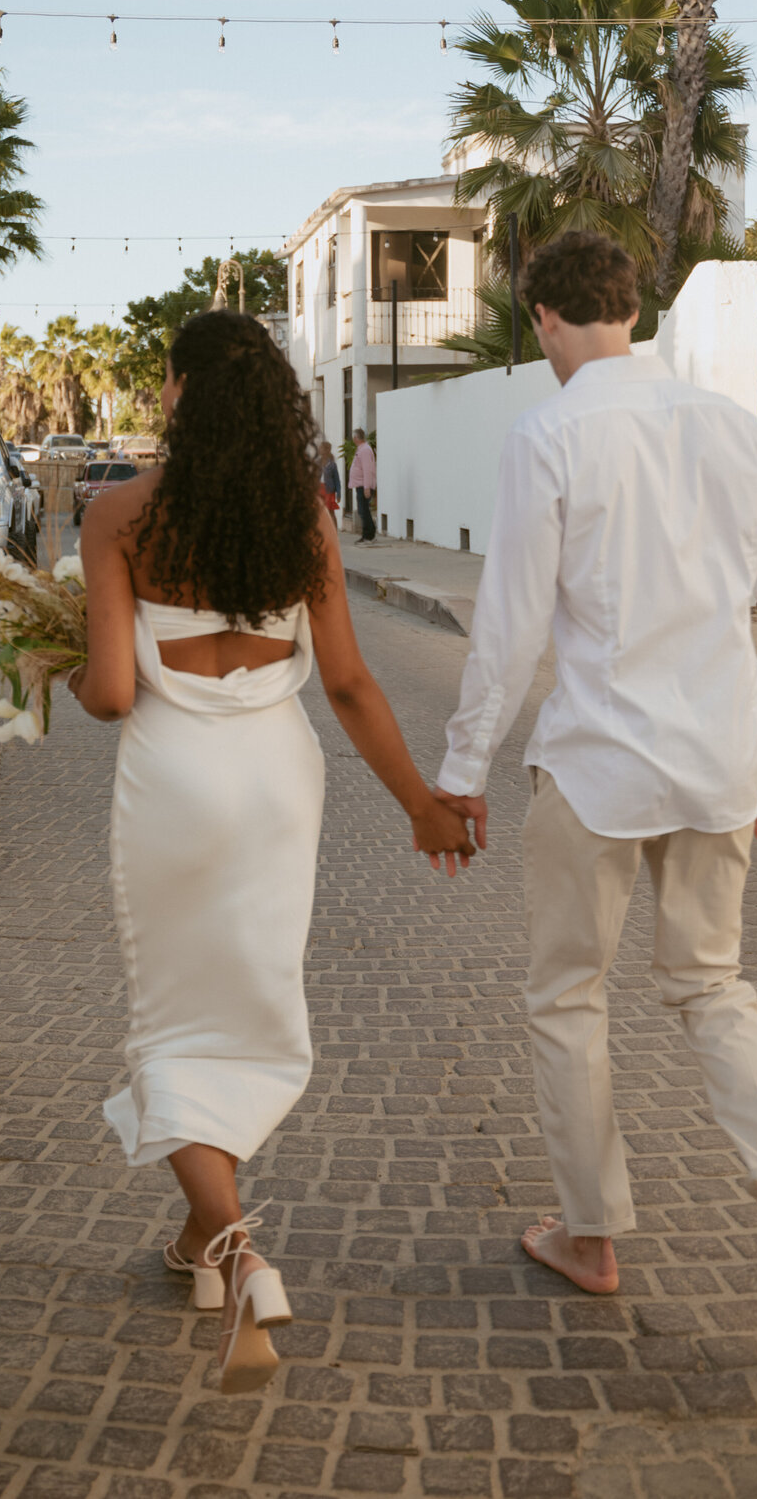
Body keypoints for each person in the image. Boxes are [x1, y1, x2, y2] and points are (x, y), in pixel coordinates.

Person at [434, 231, 757, 1357]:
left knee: (569, 994)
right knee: (712, 985)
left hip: (599, 761)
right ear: (632, 306)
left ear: (545, 317)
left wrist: (462, 773)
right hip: (718, 757)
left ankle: (594, 1234)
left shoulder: (549, 432)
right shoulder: (733, 426)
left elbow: (509, 628)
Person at [70, 309, 473, 1394]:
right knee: (248, 1005)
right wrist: (420, 805)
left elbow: (111, 693)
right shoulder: (301, 517)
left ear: (180, 392)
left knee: (171, 1015)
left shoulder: (117, 515)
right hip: (277, 783)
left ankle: (238, 1249)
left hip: (173, 784)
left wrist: (70, 672)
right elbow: (348, 682)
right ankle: (206, 1242)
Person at [348, 427, 376, 542]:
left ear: (356, 438)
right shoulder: (361, 449)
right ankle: (368, 534)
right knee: (362, 510)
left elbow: (367, 469)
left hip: (363, 486)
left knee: (363, 510)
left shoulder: (364, 450)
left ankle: (368, 535)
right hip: (360, 485)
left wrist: (366, 487)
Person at [318, 439, 341, 518]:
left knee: (330, 512)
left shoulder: (332, 464)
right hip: (319, 489)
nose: (319, 449)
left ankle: (334, 530)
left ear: (326, 450)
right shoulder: (318, 462)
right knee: (320, 512)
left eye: (321, 448)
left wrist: (339, 493)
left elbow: (337, 480)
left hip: (329, 490)